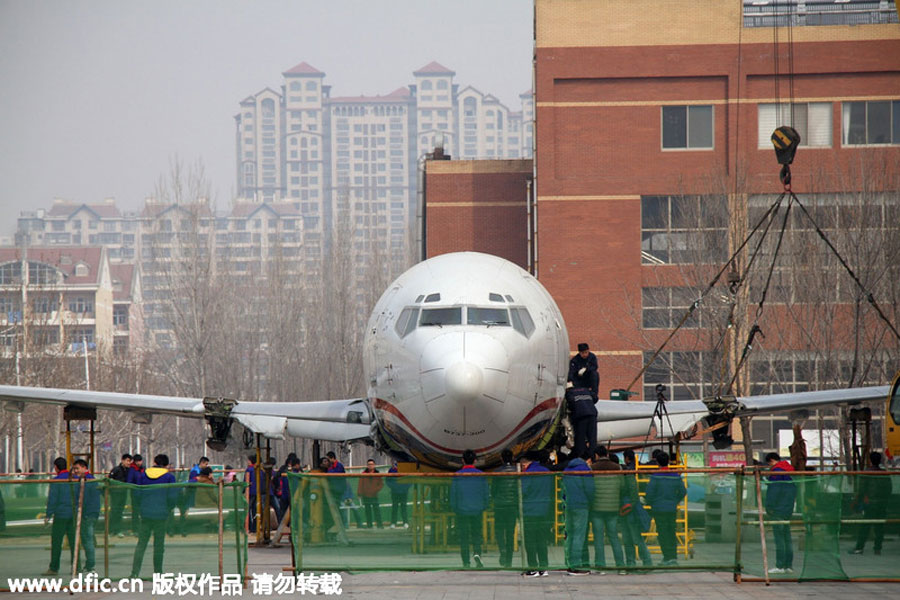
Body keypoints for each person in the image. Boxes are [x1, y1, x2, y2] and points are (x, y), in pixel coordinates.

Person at [130, 454, 178, 578]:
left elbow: (137, 493)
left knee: (141, 544)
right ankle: (158, 572)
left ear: (154, 462)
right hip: (161, 515)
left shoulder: (143, 475)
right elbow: (172, 497)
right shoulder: (169, 477)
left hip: (145, 514)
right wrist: (168, 508)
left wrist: (141, 507)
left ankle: (134, 573)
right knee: (159, 545)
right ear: (166, 465)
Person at [449, 449, 489, 568]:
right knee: (477, 534)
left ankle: (465, 561)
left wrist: (455, 508)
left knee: (464, 536)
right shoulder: (481, 475)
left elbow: (453, 494)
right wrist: (484, 506)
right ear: (475, 460)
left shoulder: (457, 475)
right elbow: (486, 493)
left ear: (462, 460)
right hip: (477, 509)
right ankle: (477, 553)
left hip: (462, 509)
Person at [645, 452, 685, 566]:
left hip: (658, 509)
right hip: (672, 509)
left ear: (657, 462)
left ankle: (667, 557)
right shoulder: (675, 476)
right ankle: (673, 557)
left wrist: (651, 503)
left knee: (662, 533)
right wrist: (675, 501)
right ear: (668, 461)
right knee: (671, 532)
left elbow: (649, 493)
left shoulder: (655, 476)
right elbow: (683, 491)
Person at [590, 446, 625, 573]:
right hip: (613, 507)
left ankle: (600, 566)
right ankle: (621, 566)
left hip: (597, 507)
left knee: (598, 538)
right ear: (607, 454)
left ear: (597, 455)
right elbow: (622, 485)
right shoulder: (617, 467)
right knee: (614, 537)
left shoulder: (592, 468)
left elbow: (590, 487)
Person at [851, 451, 892, 555]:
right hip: (881, 504)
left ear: (870, 460)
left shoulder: (866, 473)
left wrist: (857, 502)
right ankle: (877, 548)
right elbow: (888, 489)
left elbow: (862, 490)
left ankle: (859, 547)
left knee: (865, 526)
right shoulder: (885, 474)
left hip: (870, 504)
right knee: (879, 527)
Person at [518, 451, 552, 577]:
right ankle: (543, 567)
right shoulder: (547, 472)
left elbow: (523, 491)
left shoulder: (527, 473)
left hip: (530, 511)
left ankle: (532, 567)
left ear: (524, 464)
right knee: (542, 539)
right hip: (544, 510)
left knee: (530, 540)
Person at [562, 449, 595, 575]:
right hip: (581, 505)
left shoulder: (566, 470)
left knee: (570, 534)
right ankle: (576, 565)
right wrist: (590, 501)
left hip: (569, 505)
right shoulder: (585, 470)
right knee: (579, 535)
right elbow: (590, 489)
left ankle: (569, 562)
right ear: (589, 460)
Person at [763, 452, 796, 574]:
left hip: (778, 509)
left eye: (769, 463)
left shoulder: (776, 472)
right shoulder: (789, 471)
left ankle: (780, 565)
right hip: (788, 509)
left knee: (779, 539)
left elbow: (774, 491)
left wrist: (769, 507)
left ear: (771, 460)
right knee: (787, 537)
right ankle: (788, 565)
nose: (769, 466)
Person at [619, 449, 653, 568]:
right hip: (628, 512)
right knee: (630, 539)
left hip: (629, 513)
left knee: (635, 539)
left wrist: (629, 507)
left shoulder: (627, 475)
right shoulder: (629, 475)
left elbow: (633, 495)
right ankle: (633, 563)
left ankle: (644, 562)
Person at [43, 457, 73, 576]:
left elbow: (53, 499)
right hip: (74, 514)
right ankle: (76, 567)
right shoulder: (74, 479)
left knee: (56, 542)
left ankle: (54, 567)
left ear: (56, 467)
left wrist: (48, 515)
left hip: (60, 515)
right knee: (74, 542)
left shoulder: (56, 481)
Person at [70, 459, 101, 574]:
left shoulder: (88, 480)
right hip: (87, 513)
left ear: (84, 467)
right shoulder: (83, 480)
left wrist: (82, 511)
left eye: (77, 468)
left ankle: (91, 565)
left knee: (87, 539)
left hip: (87, 514)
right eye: (74, 469)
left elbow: (85, 499)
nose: (75, 471)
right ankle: (89, 564)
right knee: (86, 539)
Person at [491, 449, 519, 568]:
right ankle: (509, 560)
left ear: (501, 458)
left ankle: (502, 549)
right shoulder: (517, 471)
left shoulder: (497, 472)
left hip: (499, 505)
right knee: (510, 533)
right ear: (512, 458)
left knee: (499, 530)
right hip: (512, 506)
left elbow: (494, 490)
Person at [108, 453, 132, 537]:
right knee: (114, 511)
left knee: (119, 512)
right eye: (127, 461)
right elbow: (109, 480)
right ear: (122, 460)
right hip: (115, 494)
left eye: (130, 461)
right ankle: (112, 530)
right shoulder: (116, 470)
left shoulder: (128, 470)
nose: (129, 463)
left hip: (123, 493)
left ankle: (117, 530)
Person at [357, 459, 384, 528]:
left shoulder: (377, 473)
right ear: (367, 465)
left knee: (377, 511)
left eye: (371, 464)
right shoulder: (363, 473)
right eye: (369, 464)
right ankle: (369, 525)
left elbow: (381, 484)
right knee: (367, 511)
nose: (370, 466)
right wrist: (359, 493)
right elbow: (360, 484)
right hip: (365, 495)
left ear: (374, 465)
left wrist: (376, 490)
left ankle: (380, 525)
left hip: (374, 495)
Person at [386, 461, 410, 528]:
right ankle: (393, 523)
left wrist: (405, 488)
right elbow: (388, 480)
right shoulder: (392, 469)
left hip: (404, 492)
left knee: (403, 508)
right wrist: (394, 487)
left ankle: (405, 522)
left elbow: (410, 480)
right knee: (395, 507)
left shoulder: (406, 469)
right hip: (395, 492)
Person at [127, 454, 145, 535]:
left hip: (143, 493)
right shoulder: (132, 470)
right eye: (138, 461)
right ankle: (135, 529)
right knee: (136, 512)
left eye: (140, 461)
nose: (139, 463)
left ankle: (143, 528)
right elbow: (129, 481)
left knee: (143, 511)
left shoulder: (143, 469)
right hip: (135, 493)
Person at [244, 455, 259, 534]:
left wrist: (243, 490)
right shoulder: (258, 469)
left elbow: (245, 481)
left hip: (250, 492)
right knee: (255, 510)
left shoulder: (249, 470)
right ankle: (255, 527)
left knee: (247, 509)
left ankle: (248, 526)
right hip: (257, 492)